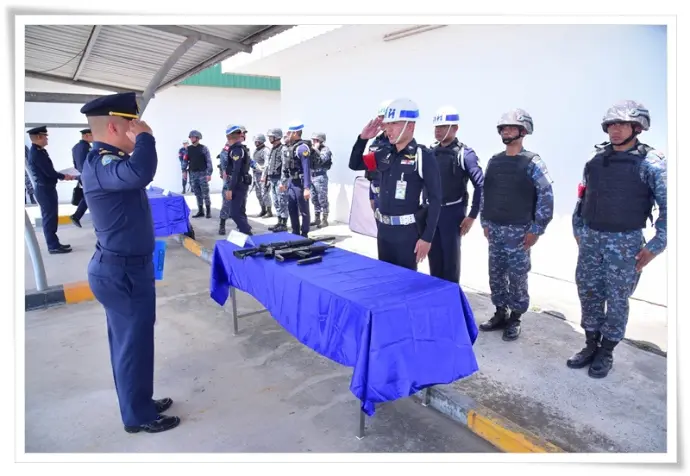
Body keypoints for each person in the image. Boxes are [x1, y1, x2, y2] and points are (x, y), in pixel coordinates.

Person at [79, 92, 179, 434]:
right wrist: (147, 138)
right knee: (132, 346)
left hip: (126, 268)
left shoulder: (110, 162)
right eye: (132, 125)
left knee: (134, 343)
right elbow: (140, 173)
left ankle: (140, 401)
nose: (137, 129)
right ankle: (138, 416)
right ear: (113, 127)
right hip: (121, 271)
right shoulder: (102, 163)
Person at [568, 100, 666, 378]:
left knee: (617, 299)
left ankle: (607, 350)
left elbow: (671, 207)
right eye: (611, 124)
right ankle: (590, 344)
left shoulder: (651, 162)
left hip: (625, 243)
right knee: (588, 293)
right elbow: (583, 196)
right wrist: (578, 229)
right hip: (591, 239)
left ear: (637, 127)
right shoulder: (595, 157)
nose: (615, 130)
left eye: (622, 124)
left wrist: (655, 246)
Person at [478, 109, 554, 341]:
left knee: (518, 276)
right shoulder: (494, 161)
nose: (506, 131)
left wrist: (537, 229)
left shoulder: (533, 162)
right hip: (495, 228)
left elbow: (546, 196)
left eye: (512, 127)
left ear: (523, 131)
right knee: (496, 273)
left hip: (519, 231)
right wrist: (485, 221)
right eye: (504, 128)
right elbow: (486, 192)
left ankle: (515, 317)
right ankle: (500, 312)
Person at [349, 98, 442, 270]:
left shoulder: (422, 156)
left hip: (407, 234)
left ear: (410, 126)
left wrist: (427, 238)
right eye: (387, 124)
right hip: (383, 231)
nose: (388, 129)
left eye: (394, 124)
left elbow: (436, 199)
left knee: (405, 282)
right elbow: (355, 164)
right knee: (386, 278)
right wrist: (362, 139)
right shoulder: (383, 154)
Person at [428, 106, 484, 284]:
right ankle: (435, 295)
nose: (438, 130)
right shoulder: (430, 152)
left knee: (450, 262)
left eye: (443, 126)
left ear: (455, 128)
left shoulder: (465, 154)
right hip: (431, 212)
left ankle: (451, 296)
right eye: (437, 126)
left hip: (452, 213)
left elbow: (481, 185)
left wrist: (472, 215)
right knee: (434, 259)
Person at [26, 125, 75, 254]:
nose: (47, 139)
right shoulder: (36, 153)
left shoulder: (40, 151)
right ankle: (53, 246)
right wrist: (64, 176)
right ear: (39, 137)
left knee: (52, 218)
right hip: (44, 190)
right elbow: (49, 172)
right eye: (45, 137)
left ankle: (55, 243)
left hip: (47, 188)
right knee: (49, 218)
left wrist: (62, 176)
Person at [280, 121, 312, 237]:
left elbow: (306, 169)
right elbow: (286, 166)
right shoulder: (291, 147)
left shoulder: (302, 148)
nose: (287, 134)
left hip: (300, 183)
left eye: (289, 132)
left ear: (295, 133)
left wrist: (307, 188)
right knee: (292, 208)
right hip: (292, 182)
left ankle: (304, 233)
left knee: (304, 210)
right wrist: (284, 182)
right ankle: (295, 232)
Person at [223, 125, 253, 235]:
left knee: (234, 213)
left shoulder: (236, 150)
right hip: (240, 183)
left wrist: (230, 189)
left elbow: (236, 171)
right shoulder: (238, 148)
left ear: (228, 136)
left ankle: (246, 231)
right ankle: (245, 231)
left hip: (238, 184)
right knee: (240, 211)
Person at [263, 128, 289, 232]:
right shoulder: (272, 149)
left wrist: (283, 182)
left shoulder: (283, 149)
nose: (269, 138)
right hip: (272, 179)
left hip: (279, 180)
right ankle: (279, 221)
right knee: (276, 201)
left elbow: (285, 167)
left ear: (277, 137)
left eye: (271, 136)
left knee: (282, 201)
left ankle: (284, 223)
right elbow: (268, 165)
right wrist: (265, 177)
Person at [69, 128, 93, 228]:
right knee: (90, 196)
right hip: (89, 176)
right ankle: (76, 215)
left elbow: (75, 164)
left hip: (82, 175)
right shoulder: (86, 147)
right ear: (86, 135)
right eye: (92, 135)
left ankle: (77, 215)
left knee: (88, 196)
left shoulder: (75, 147)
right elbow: (89, 163)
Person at [187, 130, 213, 218]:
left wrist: (209, 173)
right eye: (190, 137)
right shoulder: (188, 149)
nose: (191, 139)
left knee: (205, 193)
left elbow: (209, 161)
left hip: (202, 173)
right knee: (197, 193)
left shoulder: (203, 148)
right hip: (193, 173)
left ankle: (208, 211)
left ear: (198, 138)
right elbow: (185, 160)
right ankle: (200, 210)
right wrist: (184, 171)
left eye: (193, 137)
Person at [309, 132, 332, 228]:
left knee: (322, 198)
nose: (313, 142)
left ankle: (325, 219)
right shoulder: (312, 150)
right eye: (313, 140)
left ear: (321, 140)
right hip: (312, 176)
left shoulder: (326, 150)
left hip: (320, 177)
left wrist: (316, 149)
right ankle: (317, 218)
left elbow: (322, 159)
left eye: (316, 140)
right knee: (314, 198)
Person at [251, 134, 272, 218]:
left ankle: (269, 211)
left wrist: (264, 175)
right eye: (255, 141)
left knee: (265, 193)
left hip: (263, 175)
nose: (255, 143)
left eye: (257, 141)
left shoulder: (266, 150)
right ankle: (263, 209)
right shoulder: (256, 150)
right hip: (256, 175)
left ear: (261, 141)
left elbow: (267, 164)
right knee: (258, 194)